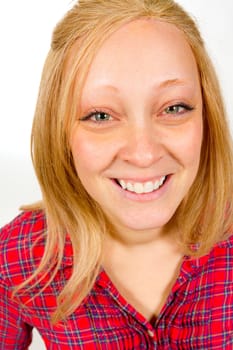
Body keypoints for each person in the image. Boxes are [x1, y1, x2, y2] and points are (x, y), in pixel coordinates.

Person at [1, 0, 233, 348]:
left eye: (174, 108)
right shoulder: (18, 256)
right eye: (100, 116)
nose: (143, 154)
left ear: (207, 117)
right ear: (60, 132)